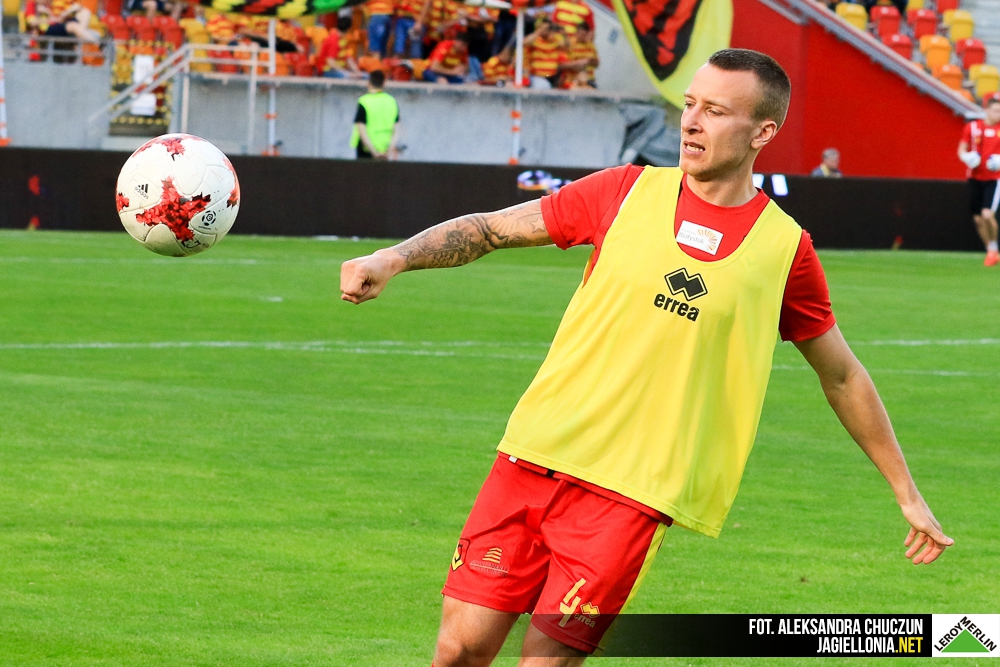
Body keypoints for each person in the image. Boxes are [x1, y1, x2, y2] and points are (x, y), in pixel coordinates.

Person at [340, 48, 952, 664]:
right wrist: (393, 258)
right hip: (534, 455)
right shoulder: (623, 191)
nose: (691, 122)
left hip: (632, 494)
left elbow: (841, 375)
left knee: (545, 661)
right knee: (458, 651)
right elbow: (490, 229)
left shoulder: (785, 249)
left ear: (763, 132)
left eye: (715, 111)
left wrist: (906, 491)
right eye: (689, 104)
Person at [958, 97, 1000, 267]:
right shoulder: (973, 127)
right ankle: (991, 250)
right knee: (978, 219)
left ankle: (994, 248)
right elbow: (961, 149)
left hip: (994, 178)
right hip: (974, 177)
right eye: (996, 110)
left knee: (987, 214)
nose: (998, 114)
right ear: (986, 110)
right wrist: (967, 157)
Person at [350, 69, 399, 160]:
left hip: (366, 150)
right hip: (385, 149)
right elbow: (396, 130)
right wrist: (388, 151)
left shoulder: (364, 102)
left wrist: (375, 153)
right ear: (384, 83)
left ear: (368, 83)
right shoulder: (391, 101)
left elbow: (362, 130)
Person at [524, 17, 567, 89]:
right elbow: (525, 43)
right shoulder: (535, 40)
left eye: (547, 28)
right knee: (543, 86)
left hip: (553, 76)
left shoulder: (555, 38)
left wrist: (554, 33)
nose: (546, 30)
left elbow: (565, 46)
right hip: (538, 76)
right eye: (544, 28)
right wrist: (539, 32)